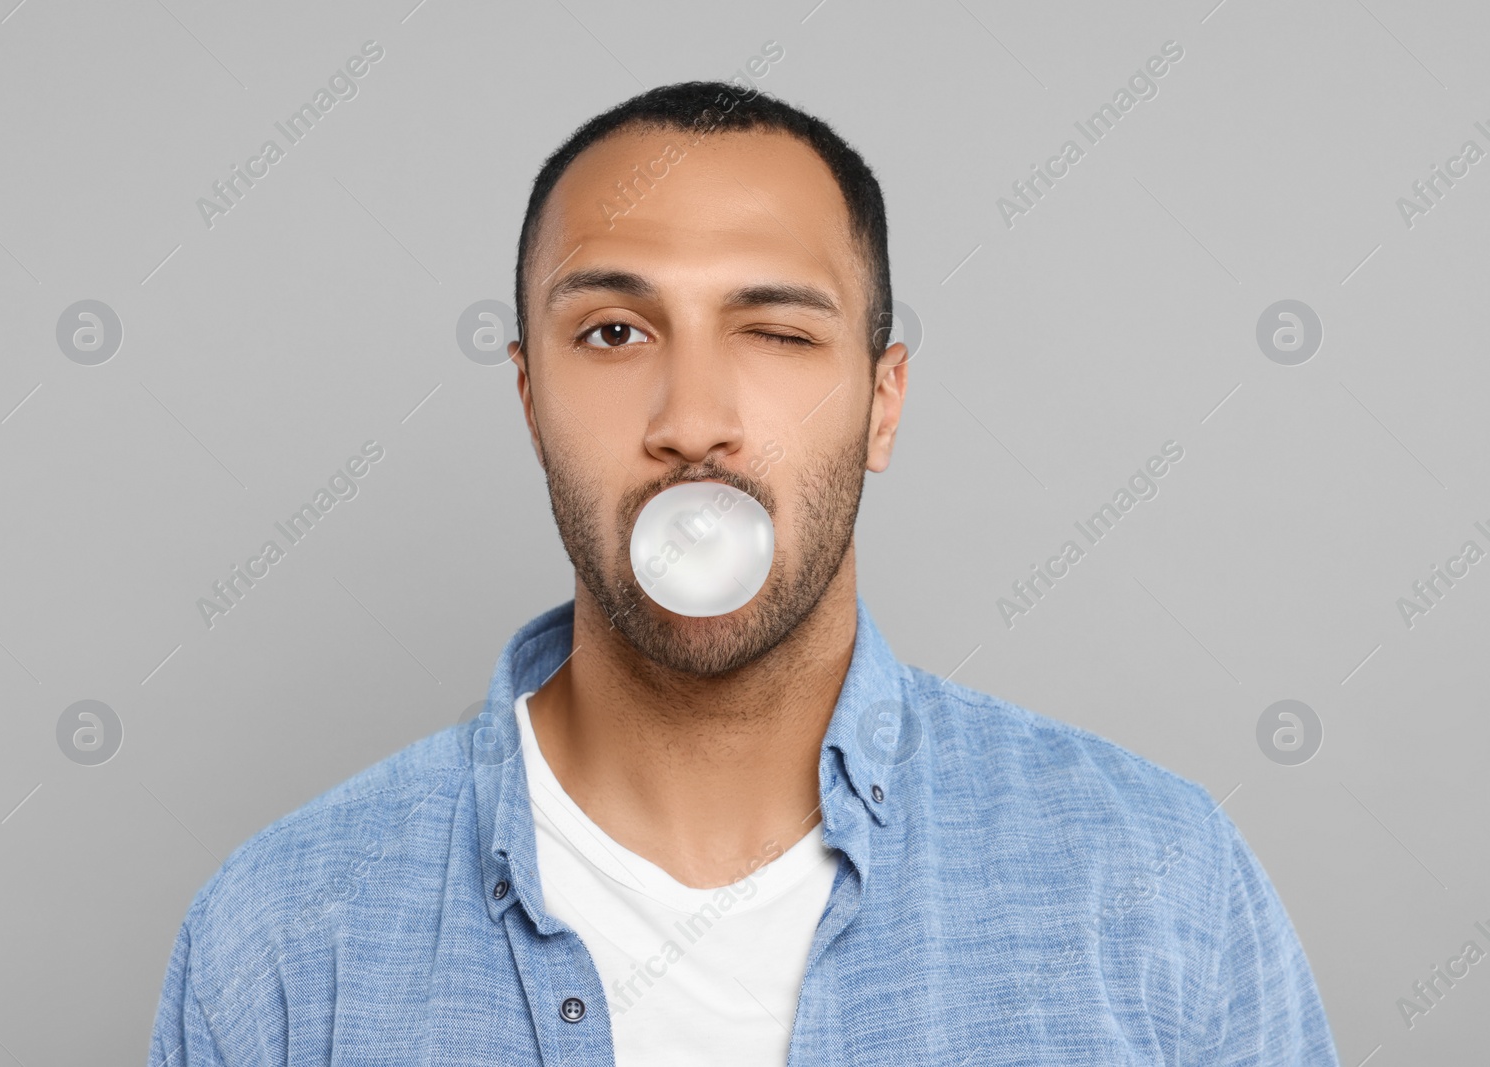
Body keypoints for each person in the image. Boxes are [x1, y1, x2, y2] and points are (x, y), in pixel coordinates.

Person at [149, 79, 1340, 1066]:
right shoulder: (282, 940)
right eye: (614, 331)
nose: (694, 419)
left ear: (882, 405)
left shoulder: (1157, 884)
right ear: (529, 398)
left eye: (775, 333)